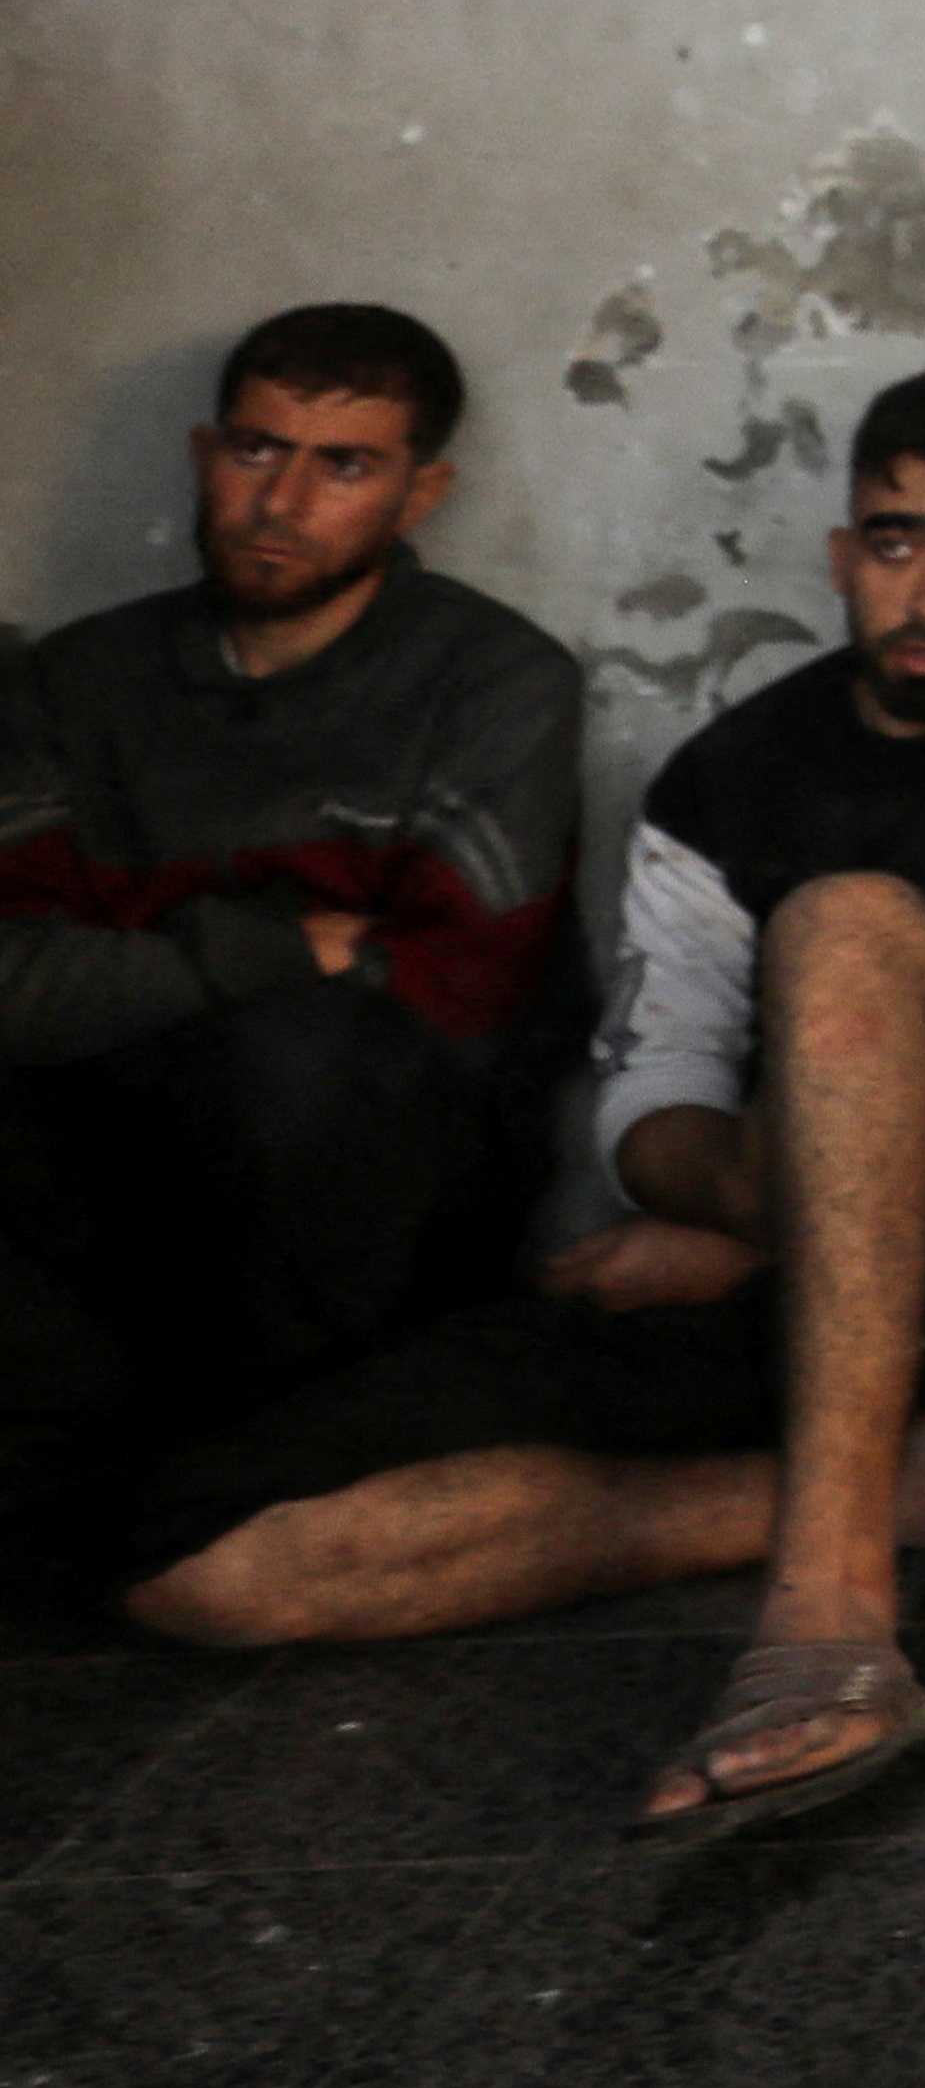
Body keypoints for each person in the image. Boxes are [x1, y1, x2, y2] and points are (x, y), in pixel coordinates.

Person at [123, 352, 925, 1852]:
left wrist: (776, 1215)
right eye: (902, 539)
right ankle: (912, 1490)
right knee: (208, 1571)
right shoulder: (731, 777)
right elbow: (652, 1100)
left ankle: (830, 1616)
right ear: (847, 553)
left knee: (848, 923)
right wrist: (759, 1205)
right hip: (790, 1266)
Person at [0, 305, 583, 1602]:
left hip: (379, 1210)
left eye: (344, 464)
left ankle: (229, 1483)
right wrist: (250, 947)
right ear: (206, 452)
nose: (281, 500)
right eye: (257, 451)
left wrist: (133, 965)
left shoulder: (494, 682)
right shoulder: (73, 682)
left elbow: (453, 997)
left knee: (303, 1059)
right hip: (104, 1189)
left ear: (422, 489)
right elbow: (7, 981)